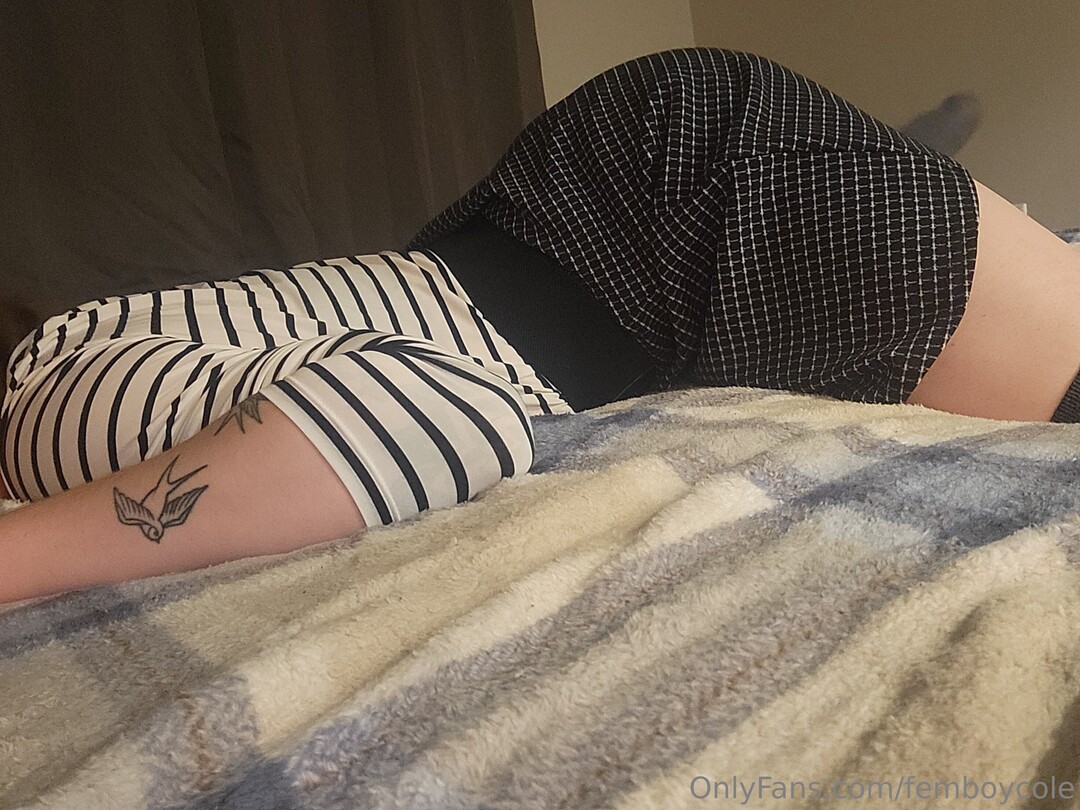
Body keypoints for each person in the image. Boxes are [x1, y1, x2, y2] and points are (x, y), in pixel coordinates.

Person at [1, 48, 1078, 606]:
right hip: (632, 246)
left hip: (642, 221)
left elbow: (430, 410)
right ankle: (921, 177)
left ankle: (898, 191)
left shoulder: (45, 398)